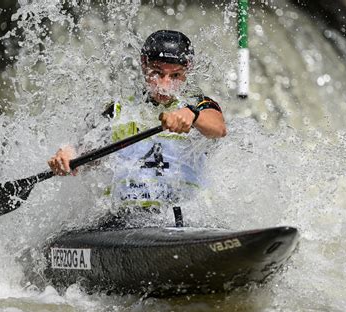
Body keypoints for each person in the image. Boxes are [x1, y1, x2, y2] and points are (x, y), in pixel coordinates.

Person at [48, 30, 226, 228]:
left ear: (188, 69)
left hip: (185, 219)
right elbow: (82, 154)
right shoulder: (117, 109)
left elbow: (218, 127)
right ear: (144, 64)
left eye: (175, 75)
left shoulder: (198, 103)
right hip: (125, 221)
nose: (164, 86)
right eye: (157, 73)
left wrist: (193, 116)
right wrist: (67, 157)